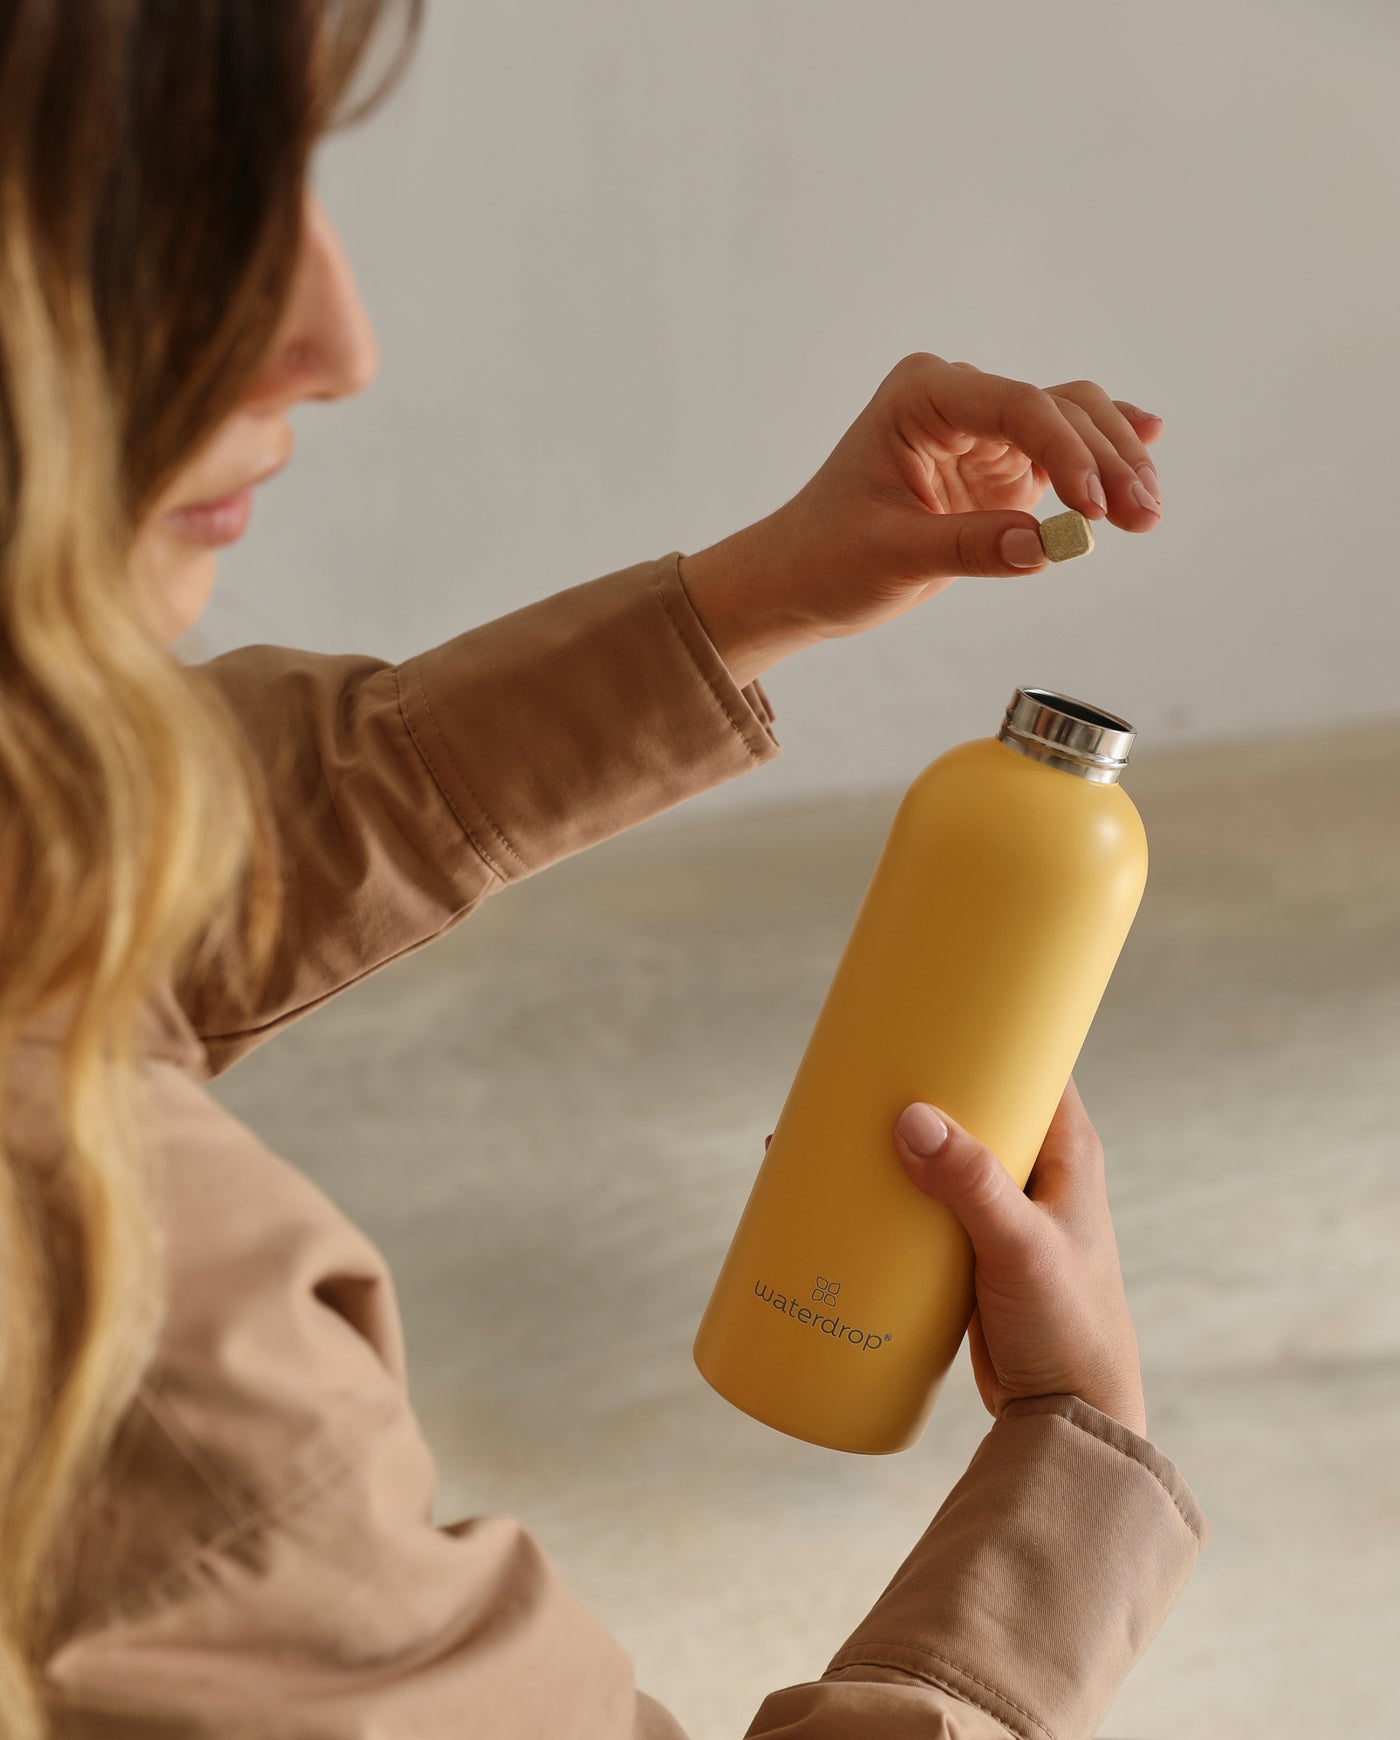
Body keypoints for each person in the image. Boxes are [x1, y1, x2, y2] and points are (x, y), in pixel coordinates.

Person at [0, 4, 1207, 1736]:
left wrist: (757, 595)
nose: (337, 342)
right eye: (162, 204)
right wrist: (1077, 1473)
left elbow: (107, 850)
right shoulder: (127, 1324)